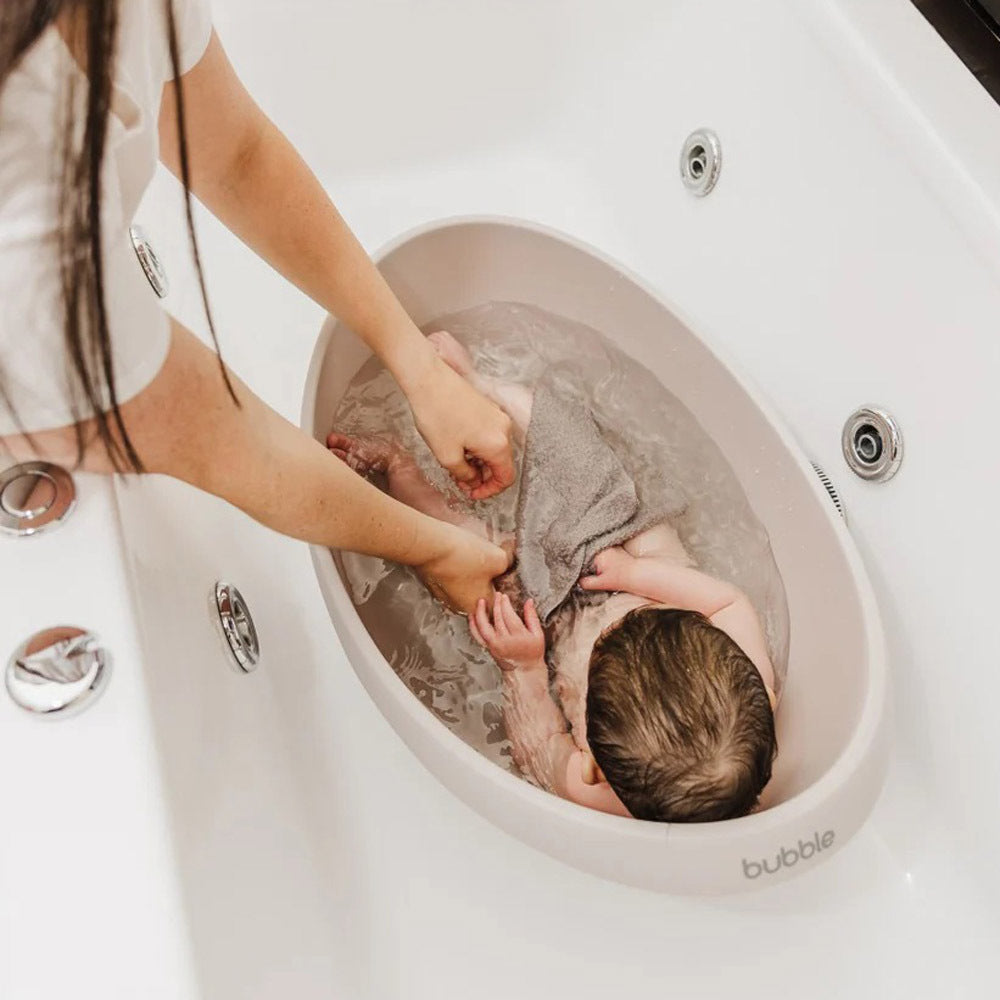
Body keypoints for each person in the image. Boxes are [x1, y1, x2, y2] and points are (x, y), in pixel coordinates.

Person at [0, 0, 514, 612]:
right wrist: (436, 549)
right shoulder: (24, 213)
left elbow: (236, 154)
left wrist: (422, 369)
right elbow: (218, 438)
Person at [329, 331, 778, 822]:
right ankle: (482, 389)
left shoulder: (595, 792)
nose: (612, 625)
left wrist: (521, 666)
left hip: (547, 624)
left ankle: (400, 468)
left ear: (594, 764)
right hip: (627, 550)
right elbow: (728, 602)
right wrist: (637, 574)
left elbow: (538, 749)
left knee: (473, 565)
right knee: (590, 467)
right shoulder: (750, 705)